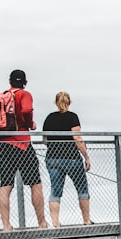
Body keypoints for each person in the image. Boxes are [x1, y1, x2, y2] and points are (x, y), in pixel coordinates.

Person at [0, 69, 48, 231]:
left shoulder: (0, 98)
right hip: (22, 144)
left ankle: (6, 226)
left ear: (9, 82)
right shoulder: (24, 94)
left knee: (5, 185)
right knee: (35, 183)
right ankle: (42, 223)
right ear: (25, 82)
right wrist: (30, 124)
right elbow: (26, 110)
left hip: (2, 146)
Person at [42, 91, 92, 226]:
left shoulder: (49, 118)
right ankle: (86, 220)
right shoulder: (72, 117)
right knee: (82, 189)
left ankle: (55, 222)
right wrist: (86, 156)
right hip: (72, 158)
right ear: (69, 102)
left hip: (53, 157)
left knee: (55, 191)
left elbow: (45, 140)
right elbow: (77, 138)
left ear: (56, 102)